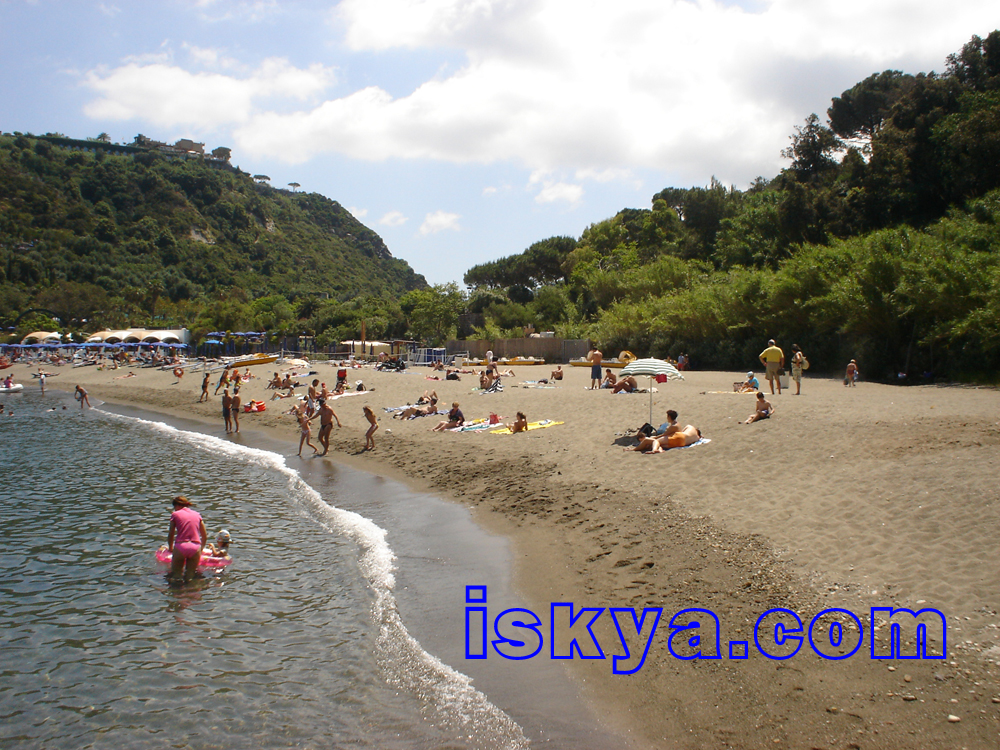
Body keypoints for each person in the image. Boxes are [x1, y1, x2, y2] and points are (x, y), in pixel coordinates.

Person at [166, 495, 207, 582]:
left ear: (177, 505)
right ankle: (191, 592)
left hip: (181, 546)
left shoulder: (175, 514)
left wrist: (170, 547)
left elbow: (171, 534)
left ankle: (177, 593)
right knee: (190, 576)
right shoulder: (197, 515)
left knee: (176, 576)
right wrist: (201, 549)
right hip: (195, 547)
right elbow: (204, 536)